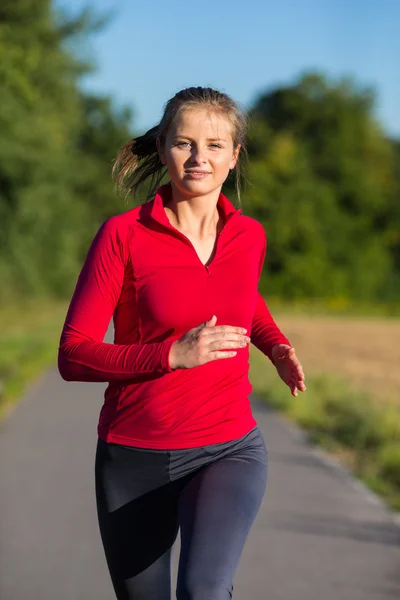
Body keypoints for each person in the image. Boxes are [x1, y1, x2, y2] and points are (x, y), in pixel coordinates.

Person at [58, 86, 306, 600]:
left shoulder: (250, 236)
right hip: (134, 456)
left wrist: (276, 347)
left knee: (203, 592)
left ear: (235, 155)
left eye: (215, 145)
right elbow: (73, 354)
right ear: (164, 146)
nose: (199, 158)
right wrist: (169, 355)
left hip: (227, 446)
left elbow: (244, 298)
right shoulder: (122, 235)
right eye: (185, 143)